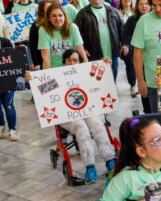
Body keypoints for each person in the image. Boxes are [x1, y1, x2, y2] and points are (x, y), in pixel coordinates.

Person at [45, 49, 116, 183]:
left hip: (89, 110)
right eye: (68, 60)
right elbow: (42, 89)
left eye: (75, 60)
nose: (72, 63)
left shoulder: (88, 75)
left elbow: (102, 83)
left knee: (97, 124)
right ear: (64, 62)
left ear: (81, 61)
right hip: (68, 114)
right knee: (81, 128)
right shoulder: (57, 77)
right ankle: (90, 167)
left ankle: (111, 162)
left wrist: (107, 67)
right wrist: (31, 79)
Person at [75, 0, 125, 80]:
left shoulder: (112, 11)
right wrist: (83, 49)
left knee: (112, 81)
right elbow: (77, 35)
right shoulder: (82, 14)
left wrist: (124, 44)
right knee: (96, 83)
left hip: (112, 54)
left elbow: (122, 29)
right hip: (94, 55)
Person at [37, 3, 88, 69]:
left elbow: (81, 52)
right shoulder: (43, 30)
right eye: (53, 16)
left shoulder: (73, 27)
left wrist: (87, 69)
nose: (57, 18)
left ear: (64, 16)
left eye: (60, 15)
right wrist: (49, 76)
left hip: (72, 68)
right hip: (54, 69)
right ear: (49, 18)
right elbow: (46, 58)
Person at [122, 0, 149, 99]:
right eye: (141, 4)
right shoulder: (132, 20)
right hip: (136, 52)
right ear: (137, 6)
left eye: (146, 4)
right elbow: (126, 35)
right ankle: (133, 85)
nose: (144, 6)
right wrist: (126, 45)